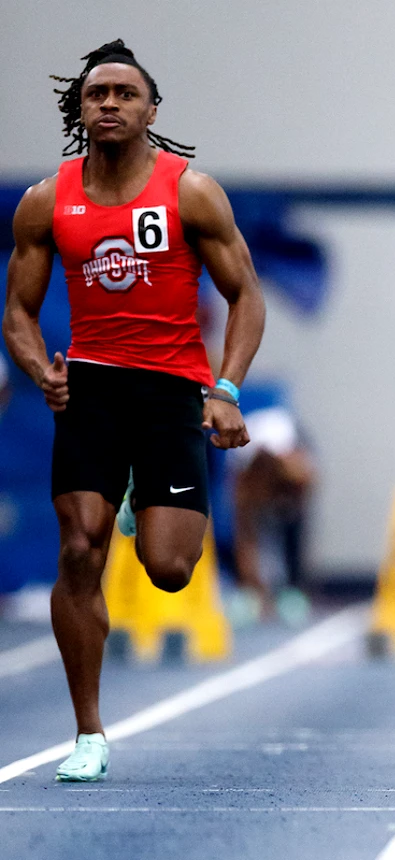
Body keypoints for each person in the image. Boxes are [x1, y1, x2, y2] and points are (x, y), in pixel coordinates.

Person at [2, 40, 266, 782]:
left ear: (151, 109)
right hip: (88, 386)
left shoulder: (192, 193)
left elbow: (246, 294)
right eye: (97, 94)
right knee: (80, 550)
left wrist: (226, 389)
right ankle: (88, 732)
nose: (109, 103)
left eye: (124, 92)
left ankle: (133, 496)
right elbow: (17, 312)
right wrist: (37, 370)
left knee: (171, 569)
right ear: (79, 110)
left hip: (170, 389)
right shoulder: (47, 200)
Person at [225, 405, 315, 626]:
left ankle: (293, 590)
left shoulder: (297, 470)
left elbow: (306, 487)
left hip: (289, 457)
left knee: (293, 525)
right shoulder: (242, 476)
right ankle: (247, 592)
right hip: (254, 460)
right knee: (247, 531)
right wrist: (252, 588)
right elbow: (245, 538)